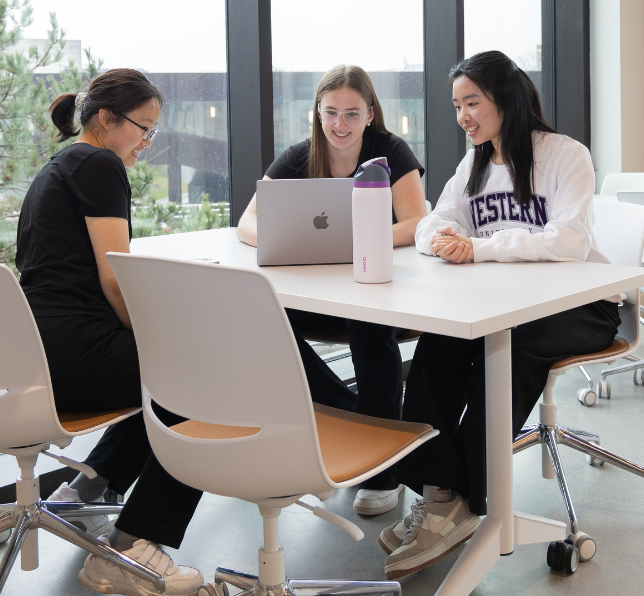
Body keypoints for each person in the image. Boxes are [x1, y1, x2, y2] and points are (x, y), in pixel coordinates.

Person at [379, 51, 622, 580]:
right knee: (440, 342)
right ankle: (441, 493)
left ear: (505, 99)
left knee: (507, 346)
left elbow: (571, 242)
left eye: (472, 102)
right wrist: (439, 236)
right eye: (457, 105)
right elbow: (433, 221)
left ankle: (463, 498)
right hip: (503, 301)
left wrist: (480, 248)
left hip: (584, 304)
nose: (463, 116)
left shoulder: (564, 155)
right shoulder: (475, 163)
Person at [16, 69, 204, 596]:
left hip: (39, 349)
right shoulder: (98, 163)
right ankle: (131, 547)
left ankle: (88, 490)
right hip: (76, 347)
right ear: (105, 119)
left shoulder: (55, 167)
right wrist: (161, 337)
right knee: (201, 382)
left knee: (161, 375)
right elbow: (115, 281)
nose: (146, 142)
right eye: (143, 128)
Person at [237, 64, 427, 516]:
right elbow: (247, 222)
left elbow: (419, 222)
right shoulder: (299, 156)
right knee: (259, 318)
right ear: (317, 113)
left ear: (370, 114)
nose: (340, 125)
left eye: (352, 113)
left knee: (367, 322)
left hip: (374, 286)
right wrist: (283, 237)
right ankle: (354, 414)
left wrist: (362, 238)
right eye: (331, 113)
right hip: (319, 293)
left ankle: (384, 471)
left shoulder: (389, 151)